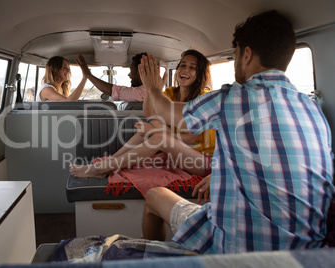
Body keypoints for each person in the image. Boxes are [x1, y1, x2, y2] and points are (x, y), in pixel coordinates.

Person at [139, 10, 334, 253]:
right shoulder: (313, 109)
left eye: (235, 54)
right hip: (306, 252)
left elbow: (169, 114)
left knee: (154, 196)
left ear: (247, 54)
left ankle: (163, 258)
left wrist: (153, 88)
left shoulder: (230, 98)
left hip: (237, 249)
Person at [69, 49, 215, 190]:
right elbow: (150, 114)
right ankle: (110, 161)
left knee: (158, 136)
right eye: (183, 65)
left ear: (200, 73)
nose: (185, 70)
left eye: (192, 68)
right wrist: (150, 87)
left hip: (204, 161)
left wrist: (154, 131)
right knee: (154, 124)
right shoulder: (171, 93)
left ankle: (104, 168)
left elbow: (190, 139)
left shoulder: (204, 97)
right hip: (182, 153)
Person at [76, 53, 147, 102]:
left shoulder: (145, 91)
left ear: (140, 71)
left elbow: (114, 91)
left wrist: (88, 75)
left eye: (131, 70)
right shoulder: (150, 90)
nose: (129, 75)